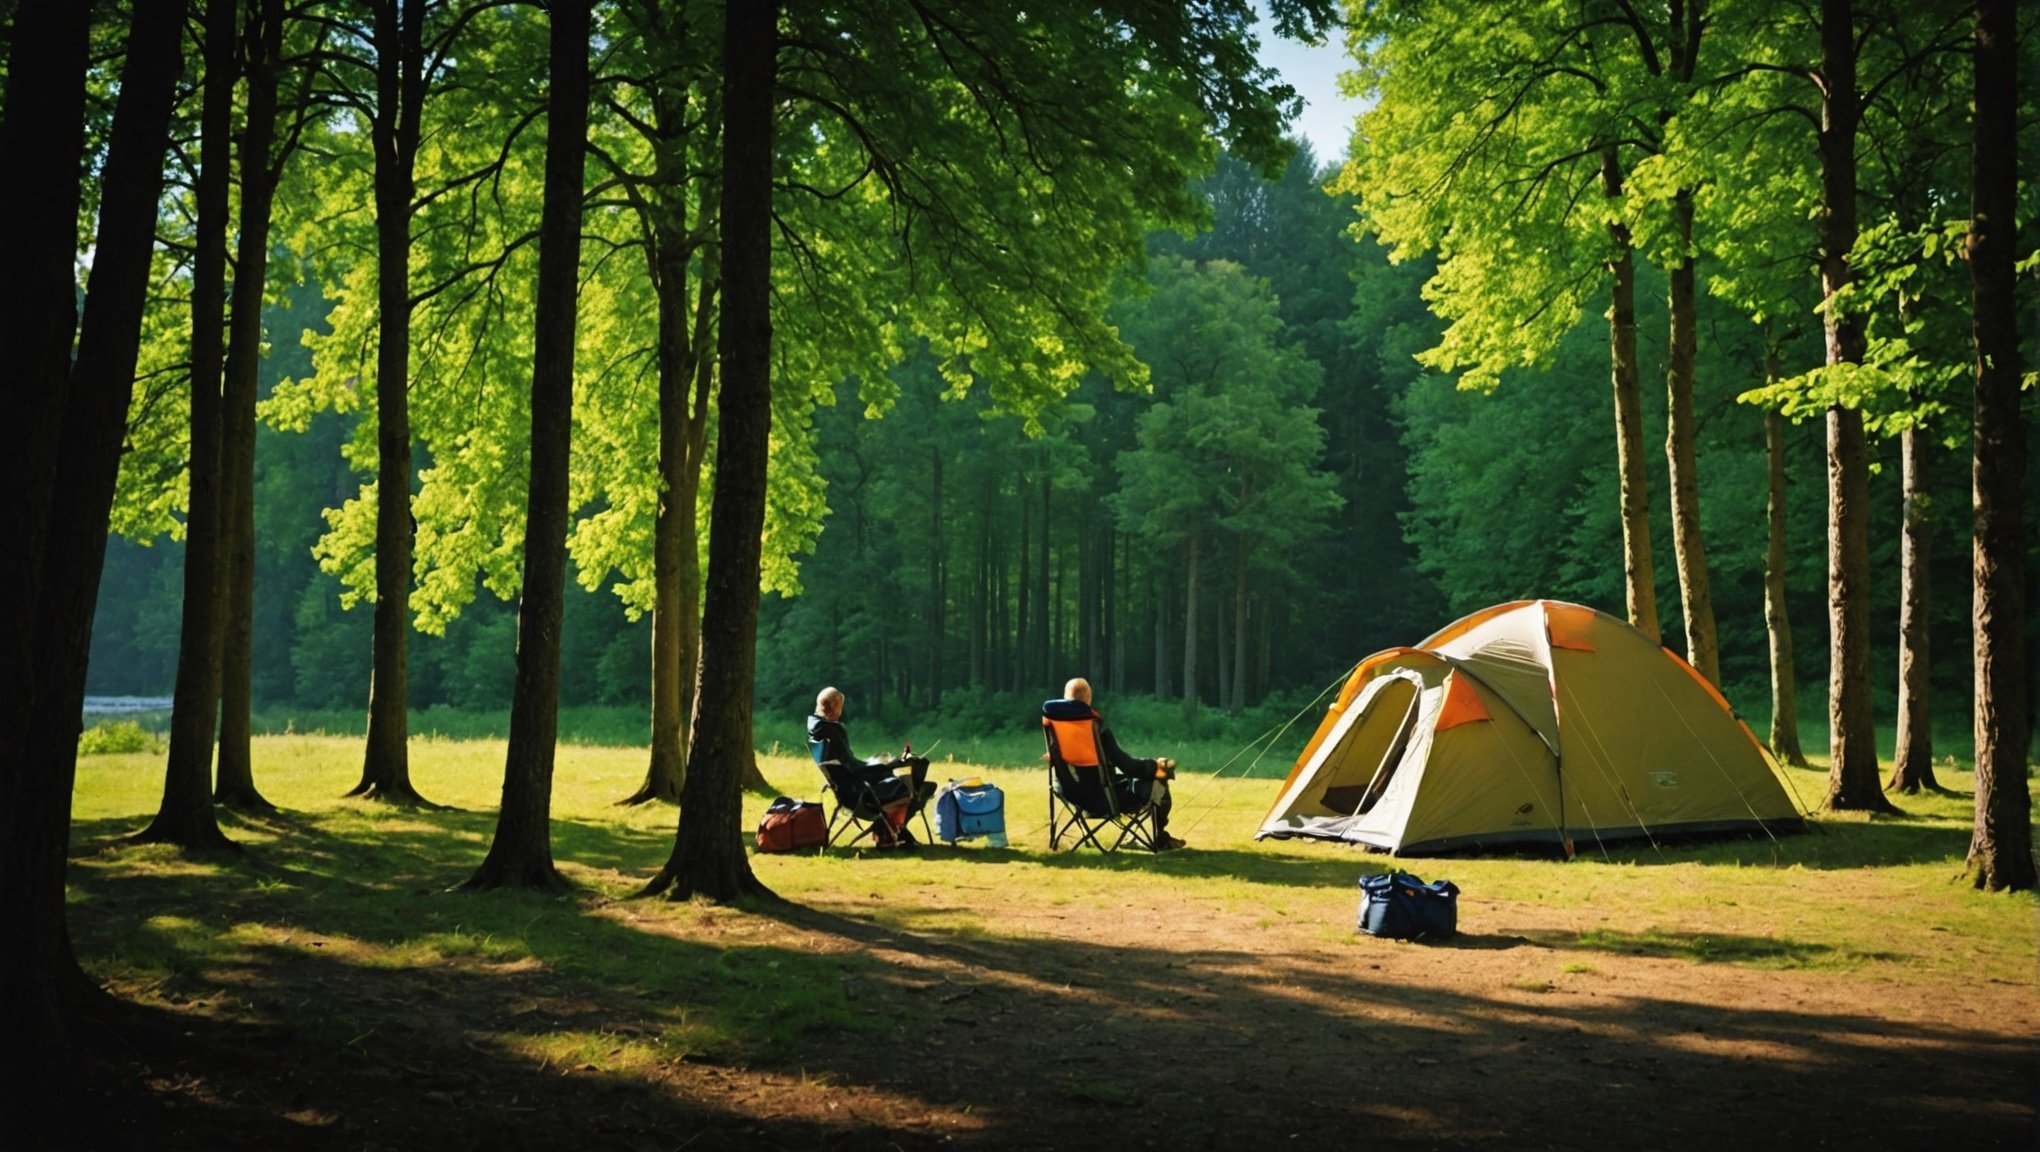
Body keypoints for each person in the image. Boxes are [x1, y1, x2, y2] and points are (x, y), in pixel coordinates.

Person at [1042, 677, 1185, 850]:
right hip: (1102, 799)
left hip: (1070, 795)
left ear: (1065, 698)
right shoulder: (1096, 729)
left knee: (1144, 774)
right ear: (1089, 700)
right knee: (1159, 777)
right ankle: (1158, 839)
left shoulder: (1056, 729)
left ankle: (1150, 838)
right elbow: (1128, 766)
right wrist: (1156, 767)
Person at [807, 686, 933, 847]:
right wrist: (889, 766)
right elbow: (855, 771)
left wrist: (879, 765)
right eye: (840, 706)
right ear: (834, 707)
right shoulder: (831, 732)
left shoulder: (817, 730)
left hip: (845, 792)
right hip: (858, 797)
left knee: (897, 782)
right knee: (907, 790)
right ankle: (890, 835)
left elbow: (849, 765)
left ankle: (890, 833)